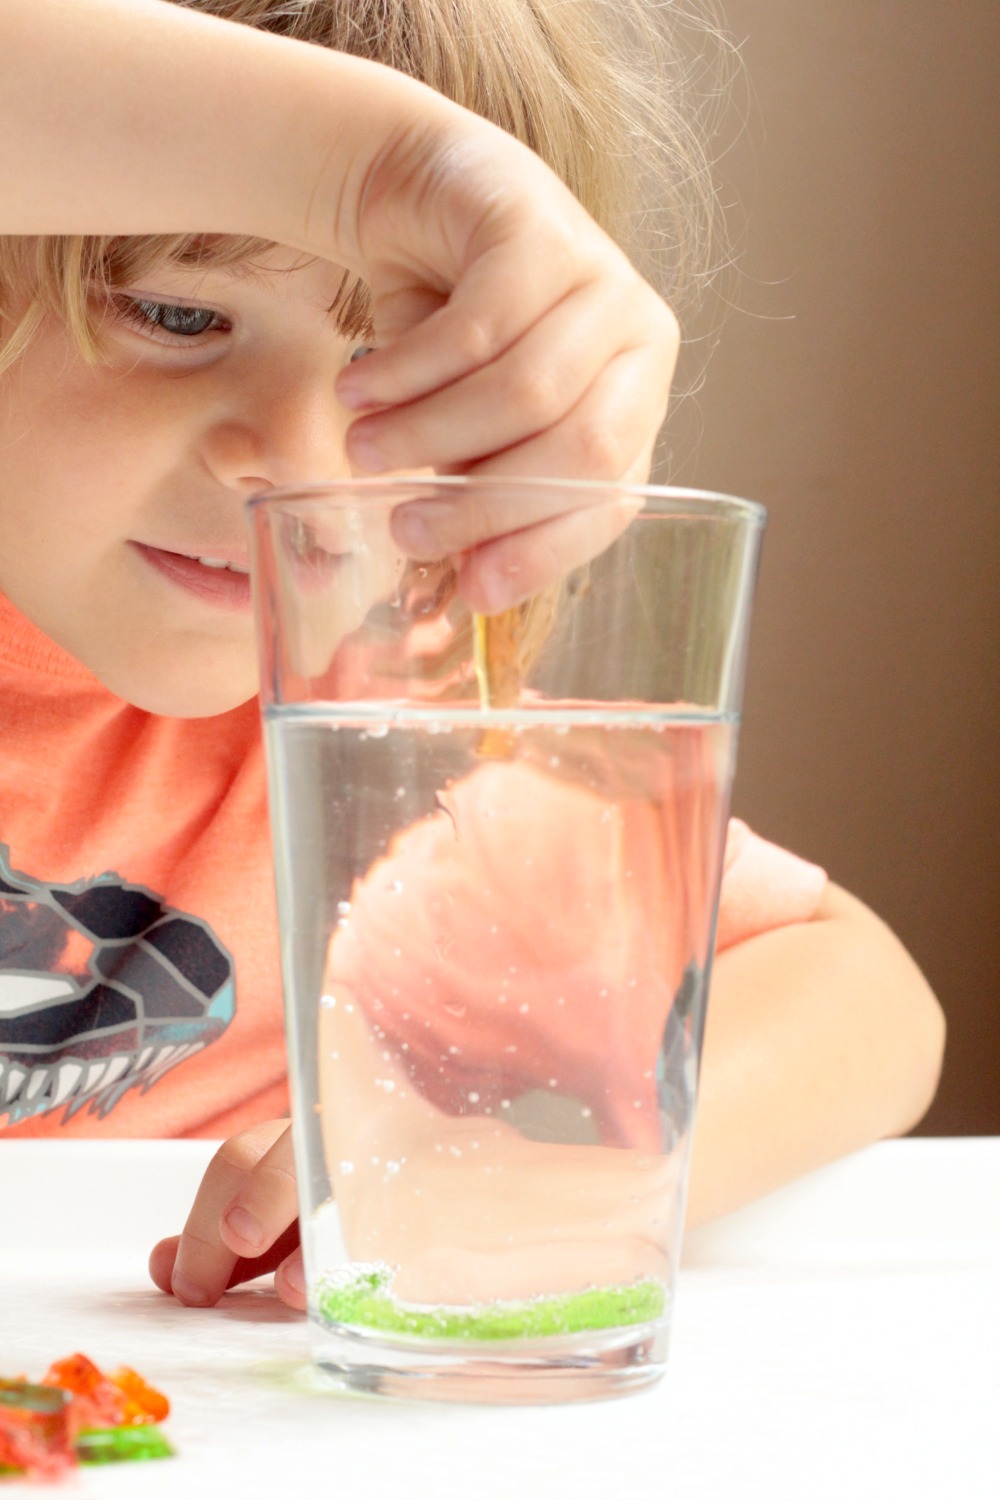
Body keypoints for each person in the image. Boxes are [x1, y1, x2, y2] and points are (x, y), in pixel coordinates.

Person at [0, 0, 944, 1313]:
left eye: (407, 375)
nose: (293, 459)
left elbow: (867, 996)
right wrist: (391, 170)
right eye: (179, 312)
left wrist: (533, 1177)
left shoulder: (385, 721)